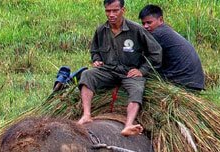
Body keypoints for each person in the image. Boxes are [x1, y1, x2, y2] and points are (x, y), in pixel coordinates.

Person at [76, 0, 162, 136]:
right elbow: (95, 50)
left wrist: (142, 70)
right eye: (108, 11)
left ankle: (128, 124)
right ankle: (86, 114)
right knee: (87, 75)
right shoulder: (101, 30)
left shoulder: (136, 30)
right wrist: (97, 60)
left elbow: (156, 52)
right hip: (108, 70)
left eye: (115, 10)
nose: (111, 15)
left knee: (137, 88)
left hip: (129, 72)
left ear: (123, 10)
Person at [139, 4, 205, 92]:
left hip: (184, 83)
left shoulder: (158, 34)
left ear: (161, 20)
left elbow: (141, 56)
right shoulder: (165, 31)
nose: (145, 26)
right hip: (195, 82)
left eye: (149, 22)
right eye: (143, 23)